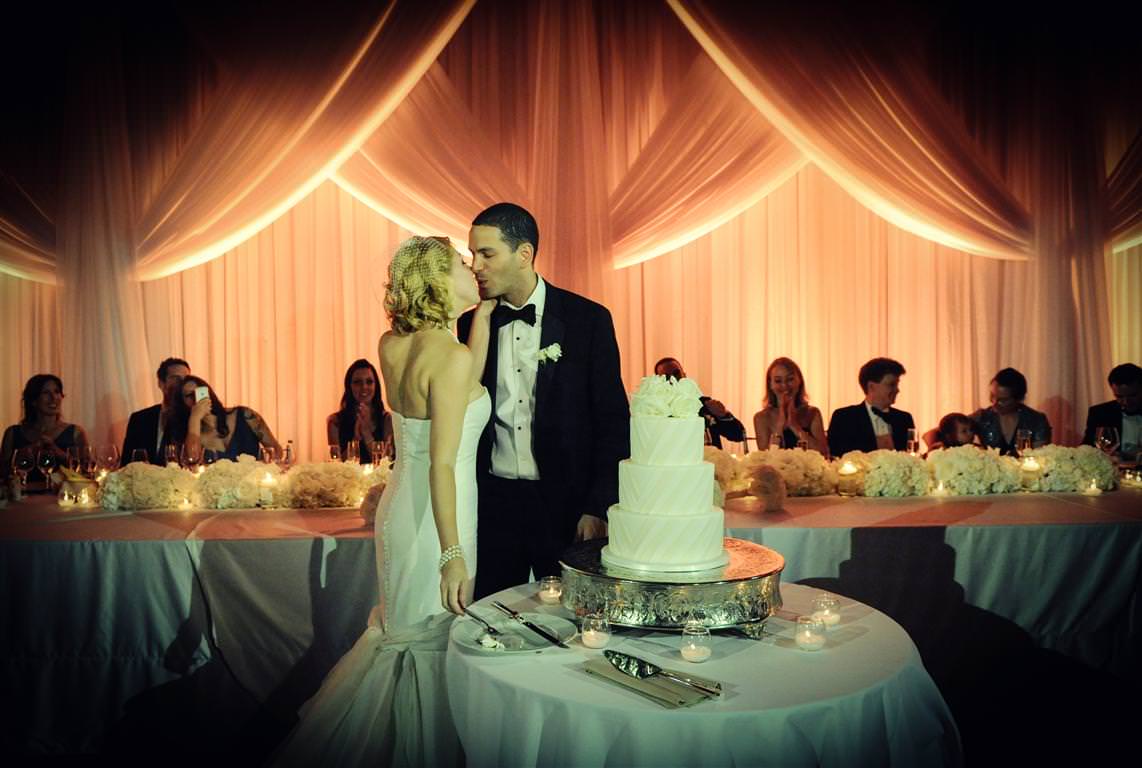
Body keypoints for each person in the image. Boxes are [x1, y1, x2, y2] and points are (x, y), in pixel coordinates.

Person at [271, 236, 491, 766]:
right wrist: (451, 553)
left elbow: (457, 388)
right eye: (463, 263)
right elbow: (442, 462)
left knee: (401, 630)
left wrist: (478, 319)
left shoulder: (392, 344)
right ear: (440, 281)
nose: (473, 268)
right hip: (440, 516)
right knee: (428, 639)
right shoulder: (451, 357)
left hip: (401, 507)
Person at [458, 202, 630, 599]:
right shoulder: (470, 325)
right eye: (471, 255)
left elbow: (612, 421)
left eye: (486, 253)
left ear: (524, 254)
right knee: (495, 620)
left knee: (573, 622)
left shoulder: (588, 320)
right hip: (494, 505)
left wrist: (599, 506)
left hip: (566, 508)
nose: (475, 266)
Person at [1, 374, 89, 489]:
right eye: (46, 393)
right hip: (23, 502)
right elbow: (3, 473)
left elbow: (86, 472)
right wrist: (31, 450)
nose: (53, 398)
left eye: (57, 392)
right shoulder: (13, 433)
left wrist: (56, 451)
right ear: (33, 400)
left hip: (63, 501)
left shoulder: (76, 432)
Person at [167, 376, 281, 461]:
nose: (196, 398)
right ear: (182, 403)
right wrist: (194, 420)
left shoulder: (245, 414)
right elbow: (192, 461)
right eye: (189, 395)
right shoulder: (186, 431)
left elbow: (276, 451)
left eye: (199, 392)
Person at [827, 357, 915, 457]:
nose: (897, 390)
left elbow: (910, 458)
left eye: (897, 384)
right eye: (892, 384)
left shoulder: (904, 419)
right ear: (871, 387)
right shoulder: (844, 418)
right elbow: (837, 458)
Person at [653, 357, 746, 449]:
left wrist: (724, 416)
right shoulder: (656, 413)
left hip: (712, 461)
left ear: (684, 375)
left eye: (676, 374)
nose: (673, 379)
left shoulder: (705, 405)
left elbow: (739, 435)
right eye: (667, 377)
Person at [120, 357, 190, 466]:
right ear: (161, 383)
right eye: (175, 378)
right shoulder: (139, 419)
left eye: (185, 379)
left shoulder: (194, 418)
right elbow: (126, 464)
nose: (181, 383)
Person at [752, 357, 827, 454]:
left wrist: (795, 426)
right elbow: (765, 457)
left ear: (799, 381)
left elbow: (824, 454)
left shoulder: (812, 413)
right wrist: (780, 424)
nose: (785, 386)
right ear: (770, 384)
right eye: (778, 381)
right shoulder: (761, 418)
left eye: (790, 379)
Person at [326, 359, 393, 463]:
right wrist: (356, 438)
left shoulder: (387, 419)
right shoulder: (334, 421)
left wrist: (366, 434)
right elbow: (337, 466)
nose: (364, 387)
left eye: (369, 382)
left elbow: (385, 465)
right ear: (349, 386)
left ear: (376, 386)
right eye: (357, 382)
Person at [972, 368, 1051, 456]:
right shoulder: (982, 417)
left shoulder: (1036, 420)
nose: (994, 402)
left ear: (1019, 399)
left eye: (1003, 400)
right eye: (992, 396)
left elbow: (1041, 456)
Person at [1083, 363, 1141, 463]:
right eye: (1119, 396)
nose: (1126, 402)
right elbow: (1087, 449)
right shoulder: (1100, 413)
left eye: (1132, 395)